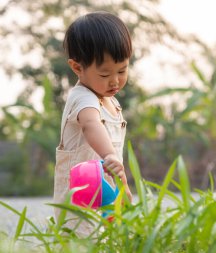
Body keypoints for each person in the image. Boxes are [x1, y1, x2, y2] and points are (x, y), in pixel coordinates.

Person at [53, 11, 133, 236]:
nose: (115, 80)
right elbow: (91, 124)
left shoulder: (111, 100)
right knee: (81, 241)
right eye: (105, 73)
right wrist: (110, 156)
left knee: (111, 242)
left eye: (122, 70)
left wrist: (122, 186)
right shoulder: (83, 97)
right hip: (79, 199)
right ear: (77, 67)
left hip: (105, 193)